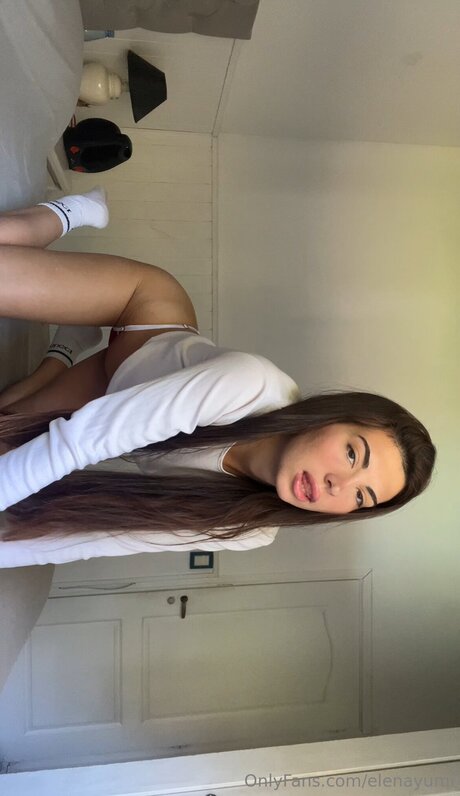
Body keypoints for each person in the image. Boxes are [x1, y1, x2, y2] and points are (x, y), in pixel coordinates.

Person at [0, 190, 435, 567]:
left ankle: (62, 353)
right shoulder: (250, 384)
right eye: (352, 455)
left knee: (7, 421)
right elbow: (82, 442)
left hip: (113, 388)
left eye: (360, 498)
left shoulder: (251, 529)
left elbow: (97, 539)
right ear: (332, 417)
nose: (337, 485)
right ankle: (72, 211)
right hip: (143, 314)